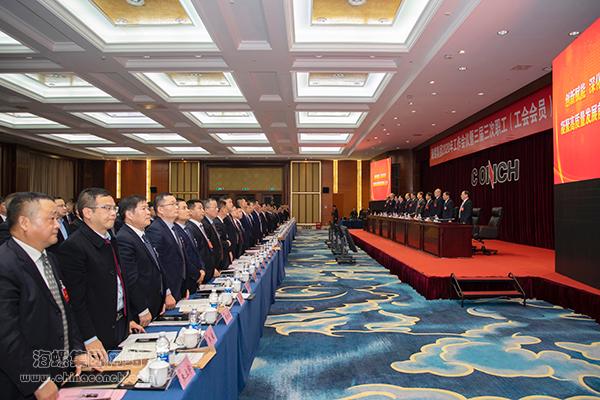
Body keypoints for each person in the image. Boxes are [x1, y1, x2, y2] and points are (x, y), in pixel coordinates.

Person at [0, 192, 96, 400]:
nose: (57, 225)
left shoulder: (49, 258)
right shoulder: (5, 264)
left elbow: (65, 310)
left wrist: (77, 351)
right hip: (24, 384)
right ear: (24, 222)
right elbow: (6, 335)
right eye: (51, 219)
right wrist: (37, 380)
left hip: (60, 371)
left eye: (57, 218)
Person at [56, 188, 132, 359]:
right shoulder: (74, 246)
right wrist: (89, 337)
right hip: (97, 331)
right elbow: (76, 300)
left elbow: (120, 281)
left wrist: (129, 318)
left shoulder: (110, 238)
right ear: (88, 213)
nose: (113, 213)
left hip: (120, 321)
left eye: (114, 208)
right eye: (106, 208)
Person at [117, 195, 171, 328]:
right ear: (129, 214)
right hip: (142, 309)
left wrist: (165, 294)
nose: (148, 212)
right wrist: (142, 309)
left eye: (148, 208)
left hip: (155, 303)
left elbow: (158, 267)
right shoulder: (124, 238)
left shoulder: (142, 234)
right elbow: (130, 278)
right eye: (143, 209)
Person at [145, 193, 187, 301]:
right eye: (172, 204)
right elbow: (158, 265)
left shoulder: (173, 227)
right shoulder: (155, 230)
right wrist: (167, 292)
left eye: (176, 204)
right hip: (167, 290)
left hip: (178, 286)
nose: (176, 207)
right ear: (161, 209)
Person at [174, 198, 205, 295]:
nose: (188, 211)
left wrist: (202, 269)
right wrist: (197, 274)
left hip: (197, 276)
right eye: (184, 208)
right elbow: (185, 258)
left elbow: (197, 252)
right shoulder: (176, 231)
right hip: (189, 278)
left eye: (187, 208)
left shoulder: (188, 229)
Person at [187, 199, 219, 282]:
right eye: (199, 208)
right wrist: (202, 270)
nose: (203, 211)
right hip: (201, 273)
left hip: (208, 270)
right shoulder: (190, 227)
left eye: (203, 208)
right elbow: (198, 252)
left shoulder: (201, 225)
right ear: (190, 211)